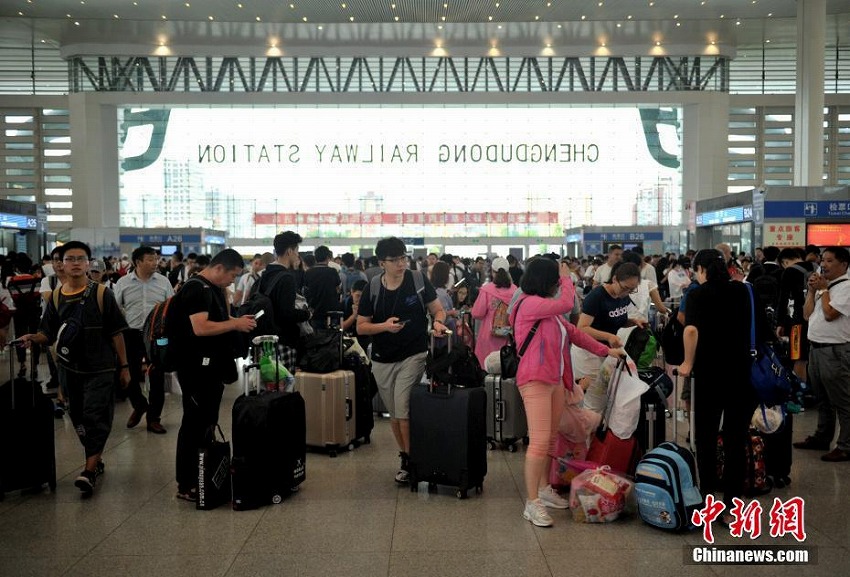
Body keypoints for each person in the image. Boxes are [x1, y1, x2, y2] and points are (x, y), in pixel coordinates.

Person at [511, 257, 624, 527]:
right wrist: (566, 277)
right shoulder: (529, 304)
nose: (558, 286)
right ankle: (532, 503)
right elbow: (565, 304)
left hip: (555, 382)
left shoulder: (549, 313)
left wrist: (606, 350)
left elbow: (575, 334)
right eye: (555, 281)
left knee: (549, 440)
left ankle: (542, 491)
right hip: (535, 380)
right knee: (538, 442)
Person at [17, 241, 131, 496]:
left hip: (100, 369)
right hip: (70, 370)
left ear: (88, 264)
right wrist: (32, 338)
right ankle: (95, 457)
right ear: (61, 264)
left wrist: (124, 367)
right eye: (70, 258)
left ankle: (88, 470)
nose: (76, 263)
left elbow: (116, 334)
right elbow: (47, 333)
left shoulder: (102, 294)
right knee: (78, 419)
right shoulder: (56, 296)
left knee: (95, 416)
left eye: (81, 258)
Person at [677, 248, 766, 524]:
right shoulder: (744, 291)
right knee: (735, 439)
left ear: (701, 269)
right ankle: (732, 507)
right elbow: (761, 327)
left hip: (710, 375)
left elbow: (690, 330)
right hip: (742, 374)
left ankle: (709, 500)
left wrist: (687, 364)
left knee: (705, 436)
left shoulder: (696, 294)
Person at [166, 248, 256, 502]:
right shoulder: (196, 289)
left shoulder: (213, 288)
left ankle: (203, 473)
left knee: (206, 420)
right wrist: (235, 324)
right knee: (194, 423)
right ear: (219, 268)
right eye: (232, 275)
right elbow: (201, 327)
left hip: (211, 367)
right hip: (195, 368)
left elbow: (217, 319)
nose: (233, 281)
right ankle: (186, 483)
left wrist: (237, 320)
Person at [357, 237, 448, 485]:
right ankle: (407, 457)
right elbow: (361, 327)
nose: (401, 263)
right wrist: (384, 327)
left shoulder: (417, 280)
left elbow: (437, 309)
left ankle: (414, 462)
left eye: (403, 258)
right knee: (395, 414)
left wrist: (438, 321)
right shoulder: (373, 287)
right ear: (381, 263)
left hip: (414, 353)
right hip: (382, 359)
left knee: (402, 407)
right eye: (395, 260)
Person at [794, 246, 850, 462]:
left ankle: (845, 445)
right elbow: (807, 315)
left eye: (829, 261)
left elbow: (830, 314)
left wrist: (824, 290)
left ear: (843, 265)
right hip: (816, 349)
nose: (823, 265)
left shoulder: (845, 287)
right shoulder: (824, 287)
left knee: (842, 400)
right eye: (822, 260)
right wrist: (811, 291)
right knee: (822, 399)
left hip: (835, 351)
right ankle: (821, 437)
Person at [113, 246, 175, 434]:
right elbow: (115, 309)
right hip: (131, 334)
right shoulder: (123, 283)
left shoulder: (164, 282)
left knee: (157, 376)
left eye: (155, 259)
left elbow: (171, 307)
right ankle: (139, 405)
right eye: (149, 259)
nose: (155, 262)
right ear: (137, 262)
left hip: (156, 337)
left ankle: (154, 419)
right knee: (127, 374)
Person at [576, 262, 646, 379]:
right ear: (614, 279)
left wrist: (633, 322)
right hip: (589, 353)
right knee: (593, 394)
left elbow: (615, 319)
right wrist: (608, 336)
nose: (627, 293)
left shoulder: (623, 296)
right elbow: (581, 328)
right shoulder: (597, 296)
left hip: (607, 352)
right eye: (625, 288)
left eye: (631, 290)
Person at [258, 231, 312, 367]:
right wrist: (307, 314)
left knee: (270, 385)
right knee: (285, 385)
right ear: (289, 251)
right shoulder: (286, 278)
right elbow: (286, 314)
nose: (297, 254)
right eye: (296, 250)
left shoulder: (266, 274)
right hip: (284, 341)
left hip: (267, 341)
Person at [470, 256, 517, 367]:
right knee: (505, 367)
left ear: (492, 271)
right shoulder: (515, 290)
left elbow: (477, 313)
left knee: (487, 367)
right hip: (508, 336)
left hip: (489, 336)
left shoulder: (487, 290)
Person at [303, 245, 342, 328]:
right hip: (331, 311)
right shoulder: (332, 271)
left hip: (314, 312)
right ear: (328, 257)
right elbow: (338, 289)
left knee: (316, 338)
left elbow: (305, 291)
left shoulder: (308, 272)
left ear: (316, 258)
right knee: (331, 336)